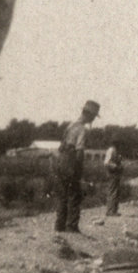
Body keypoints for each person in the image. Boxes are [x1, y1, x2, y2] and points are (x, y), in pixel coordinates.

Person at [54, 100, 100, 233]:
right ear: (89, 115)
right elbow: (79, 151)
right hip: (71, 161)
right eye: (93, 117)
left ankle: (59, 226)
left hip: (61, 160)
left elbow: (62, 145)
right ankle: (72, 226)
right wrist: (79, 170)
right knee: (75, 194)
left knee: (62, 194)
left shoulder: (70, 125)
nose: (93, 120)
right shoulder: (81, 129)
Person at [103, 138, 124, 216]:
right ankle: (110, 211)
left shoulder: (116, 151)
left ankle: (114, 210)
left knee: (116, 191)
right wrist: (116, 167)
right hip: (112, 173)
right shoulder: (111, 150)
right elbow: (106, 163)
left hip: (116, 174)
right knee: (112, 192)